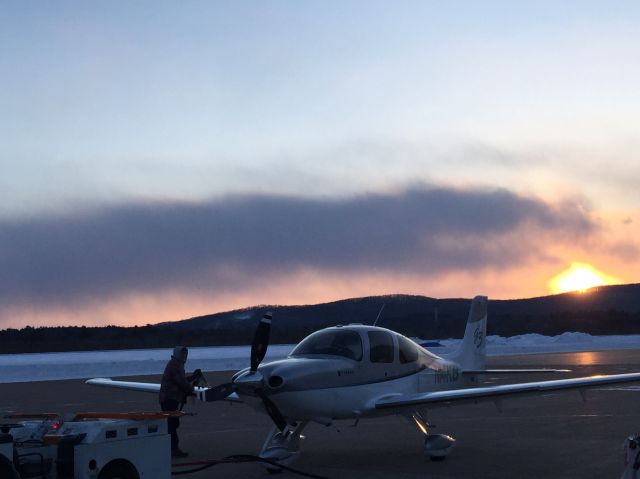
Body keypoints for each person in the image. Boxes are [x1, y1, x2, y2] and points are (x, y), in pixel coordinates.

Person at [160, 346, 195, 458]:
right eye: (182, 354)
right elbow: (181, 382)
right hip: (169, 398)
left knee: (173, 423)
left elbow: (181, 380)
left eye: (185, 354)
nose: (184, 356)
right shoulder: (175, 365)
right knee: (172, 424)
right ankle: (173, 449)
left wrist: (193, 377)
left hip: (170, 398)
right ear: (177, 354)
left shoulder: (176, 364)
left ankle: (172, 448)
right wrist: (191, 389)